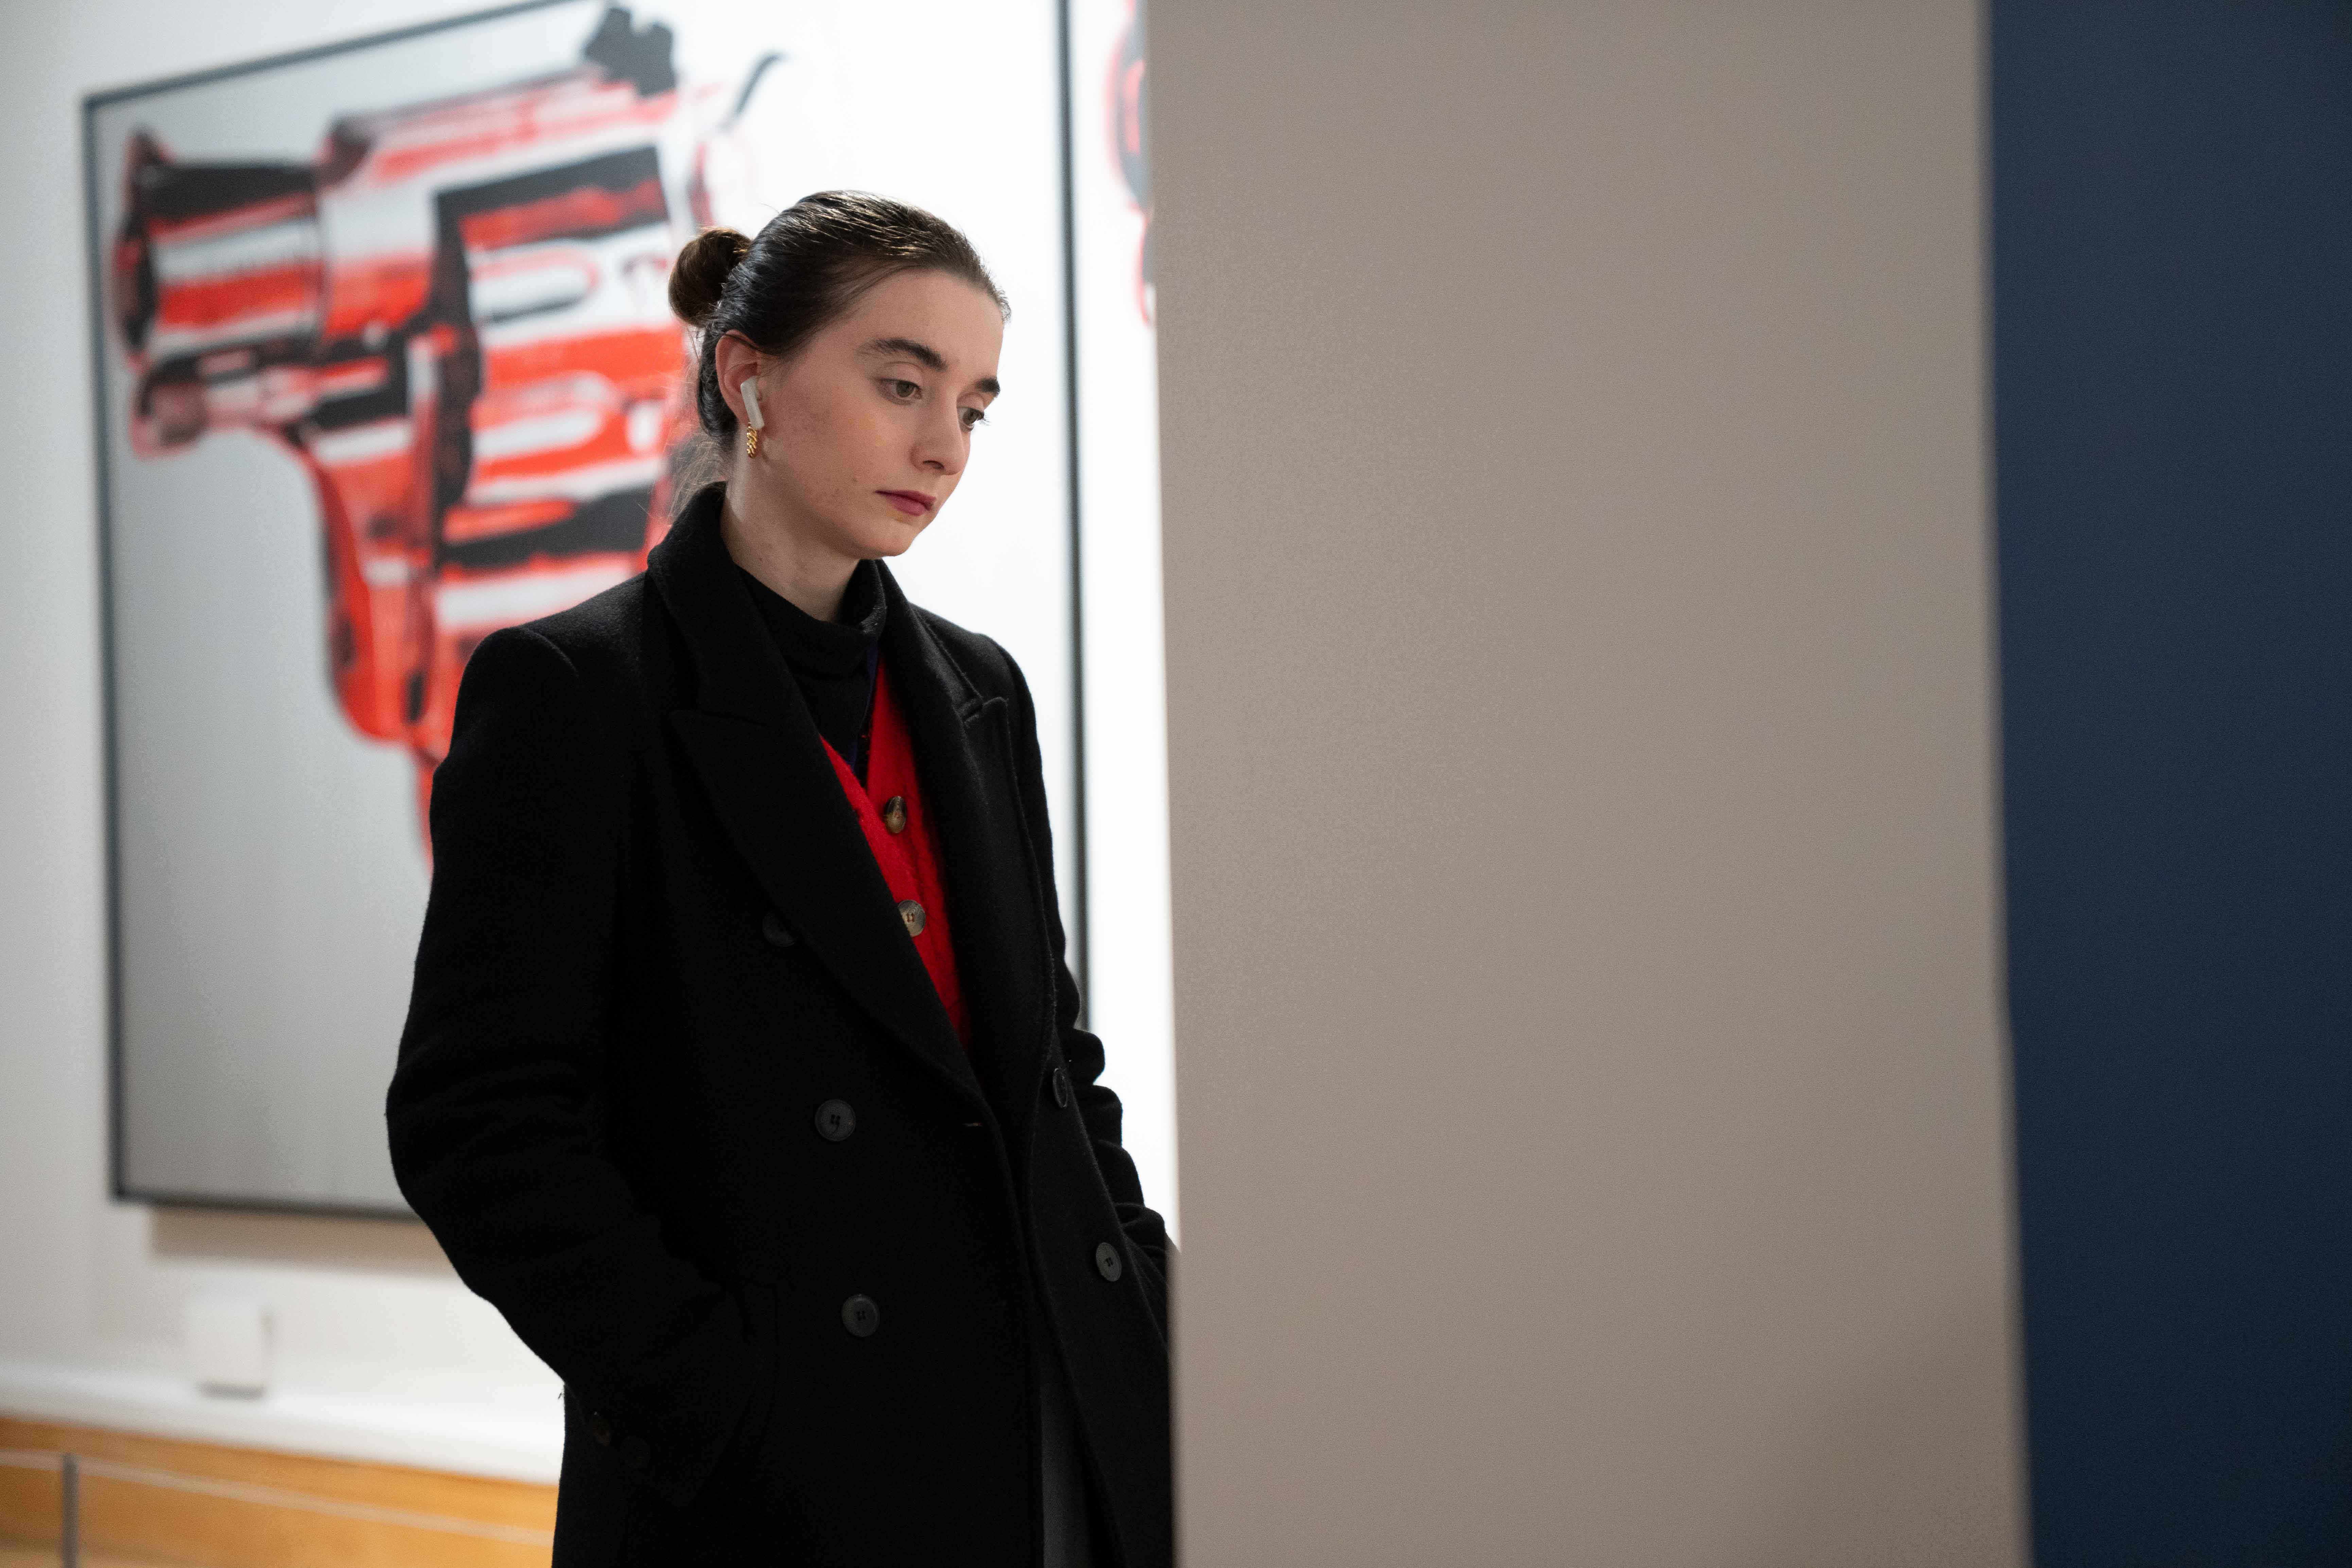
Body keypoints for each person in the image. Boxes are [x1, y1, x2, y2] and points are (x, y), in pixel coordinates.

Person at [385, 191, 1172, 1567]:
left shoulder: (981, 690)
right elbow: (479, 1124)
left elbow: (1055, 1065)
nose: (943, 445)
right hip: (780, 1486)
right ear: (749, 380)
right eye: (901, 384)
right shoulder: (576, 693)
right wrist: (721, 1397)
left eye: (973, 407)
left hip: (1049, 1428)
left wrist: (1141, 1297)